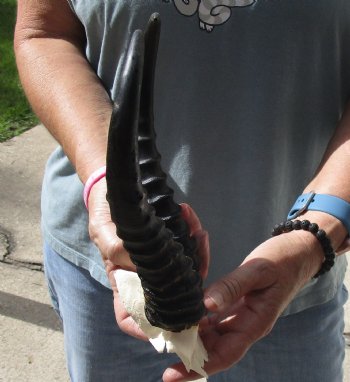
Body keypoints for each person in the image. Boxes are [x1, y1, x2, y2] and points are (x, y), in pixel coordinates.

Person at [14, 1, 350, 381]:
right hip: (118, 276)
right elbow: (45, 32)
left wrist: (319, 231)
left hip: (297, 285)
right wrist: (105, 184)